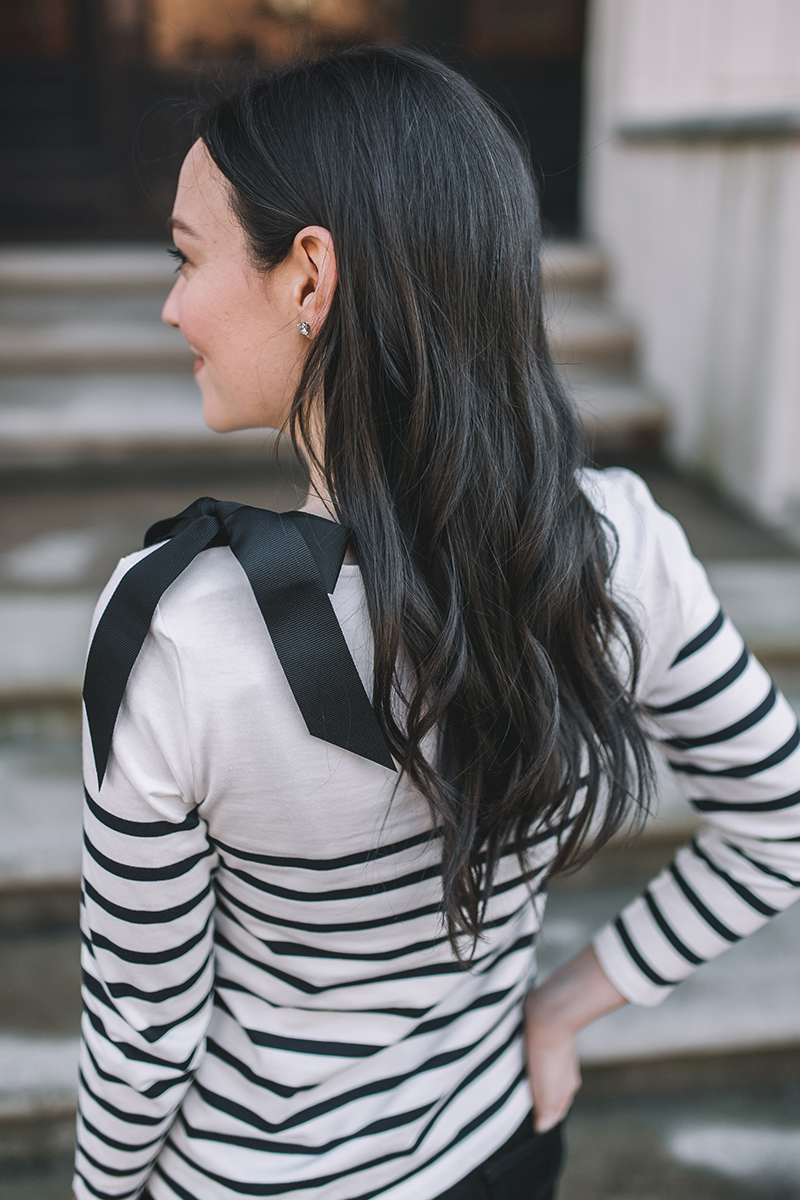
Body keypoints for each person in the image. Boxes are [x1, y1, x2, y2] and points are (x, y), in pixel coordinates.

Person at [72, 45, 800, 1200]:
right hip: (498, 1151)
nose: (169, 306)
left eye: (186, 257)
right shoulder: (614, 548)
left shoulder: (178, 635)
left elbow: (142, 1029)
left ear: (310, 277)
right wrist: (560, 1012)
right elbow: (781, 823)